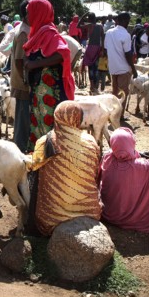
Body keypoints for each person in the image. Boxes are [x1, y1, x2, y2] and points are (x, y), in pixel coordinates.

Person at [27, 101, 101, 236]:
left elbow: (33, 165)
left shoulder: (46, 141)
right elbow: (96, 172)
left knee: (36, 172)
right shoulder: (91, 141)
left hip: (52, 218)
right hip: (89, 211)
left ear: (57, 116)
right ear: (79, 118)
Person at [23, 0, 75, 152]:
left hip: (50, 94)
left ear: (38, 13)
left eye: (29, 13)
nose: (27, 17)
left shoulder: (49, 33)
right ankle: (41, 161)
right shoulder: (37, 34)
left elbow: (62, 54)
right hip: (38, 93)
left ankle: (52, 164)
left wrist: (34, 64)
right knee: (39, 127)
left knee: (49, 129)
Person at [104, 12, 137, 112]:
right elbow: (128, 54)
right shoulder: (126, 35)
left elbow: (105, 50)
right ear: (125, 21)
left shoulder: (109, 32)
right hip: (123, 68)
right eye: (128, 21)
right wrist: (134, 69)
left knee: (115, 92)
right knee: (122, 93)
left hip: (113, 67)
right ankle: (119, 115)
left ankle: (113, 112)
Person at [12, 0, 31, 153]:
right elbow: (19, 60)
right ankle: (19, 152)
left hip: (23, 81)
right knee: (22, 122)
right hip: (23, 83)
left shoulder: (26, 29)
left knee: (23, 119)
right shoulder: (24, 32)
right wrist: (25, 81)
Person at [80, 12, 105, 95]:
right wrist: (102, 49)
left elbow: (78, 26)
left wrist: (83, 15)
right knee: (96, 68)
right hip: (98, 48)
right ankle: (95, 86)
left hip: (90, 48)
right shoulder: (100, 26)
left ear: (89, 19)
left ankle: (92, 85)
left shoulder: (89, 25)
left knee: (90, 68)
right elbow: (103, 37)